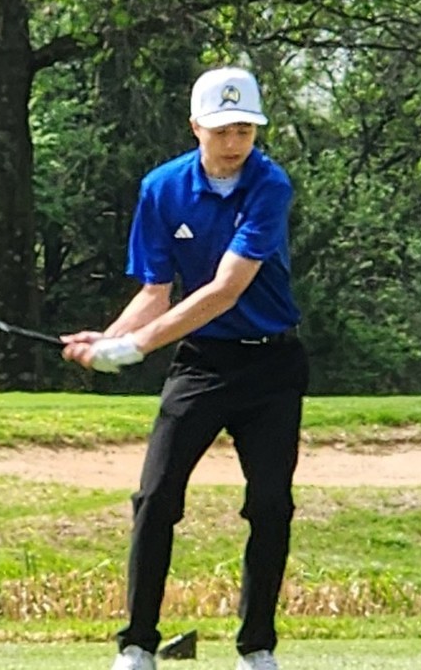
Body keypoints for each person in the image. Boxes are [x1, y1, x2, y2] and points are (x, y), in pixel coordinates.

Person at [61, 67, 309, 670]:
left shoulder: (269, 185)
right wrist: (111, 338)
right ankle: (138, 646)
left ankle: (257, 649)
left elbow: (225, 290)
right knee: (155, 495)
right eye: (223, 129)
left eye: (246, 129)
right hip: (202, 363)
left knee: (270, 504)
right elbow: (156, 290)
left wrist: (139, 347)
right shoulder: (161, 188)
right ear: (196, 125)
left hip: (272, 363)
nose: (234, 142)